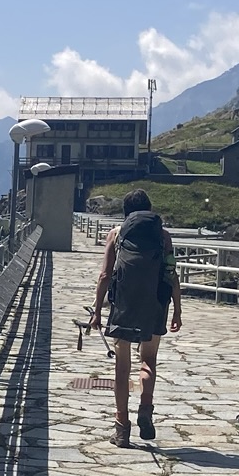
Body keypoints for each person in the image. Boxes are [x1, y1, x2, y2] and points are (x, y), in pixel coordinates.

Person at [91, 188, 182, 447]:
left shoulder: (116, 235)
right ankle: (145, 410)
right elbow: (171, 272)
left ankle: (121, 427)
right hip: (155, 304)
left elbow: (105, 276)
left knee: (122, 367)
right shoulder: (163, 236)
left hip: (123, 306)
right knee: (148, 361)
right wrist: (177, 308)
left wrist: (98, 309)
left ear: (126, 213)